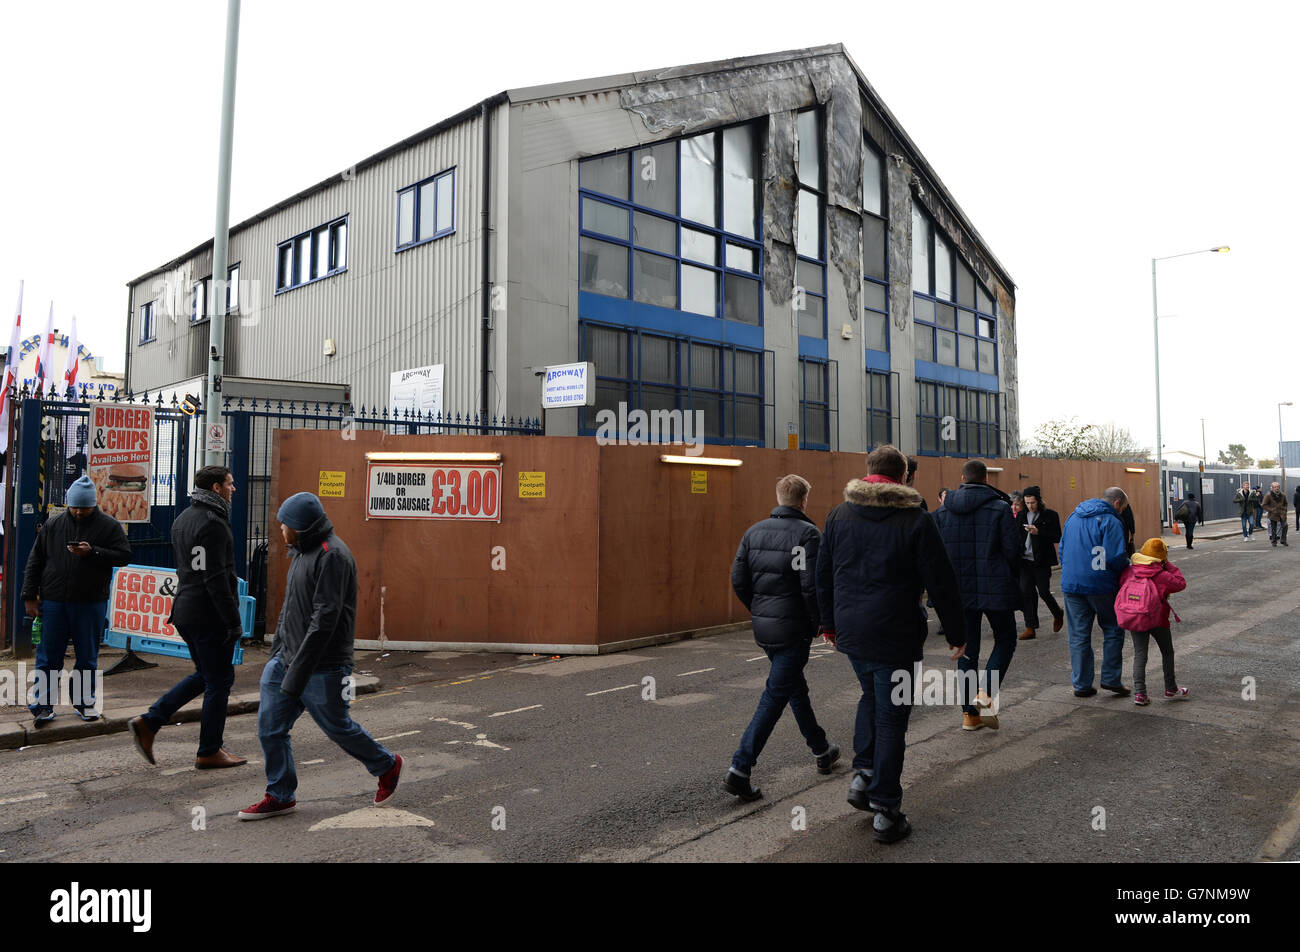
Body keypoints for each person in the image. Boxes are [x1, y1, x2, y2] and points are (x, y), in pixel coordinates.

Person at [817, 445, 964, 843]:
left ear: (868, 472)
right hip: (895, 633)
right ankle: (886, 807)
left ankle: (864, 776)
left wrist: (828, 623)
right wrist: (957, 633)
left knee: (871, 697)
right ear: (903, 477)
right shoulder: (915, 519)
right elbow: (941, 580)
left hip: (852, 631)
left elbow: (823, 572)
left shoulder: (838, 514)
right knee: (892, 717)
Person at [238, 492, 402, 819]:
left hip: (323, 666)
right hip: (286, 659)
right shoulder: (300, 551)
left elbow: (324, 619)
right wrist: (278, 650)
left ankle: (386, 764)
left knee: (337, 727)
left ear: (302, 526)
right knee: (270, 727)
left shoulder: (334, 556)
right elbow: (291, 605)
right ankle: (280, 795)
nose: (281, 527)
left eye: (286, 522)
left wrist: (297, 667)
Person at [724, 475, 838, 801]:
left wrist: (758, 609)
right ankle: (740, 768)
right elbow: (810, 586)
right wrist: (819, 623)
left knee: (792, 687)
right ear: (804, 501)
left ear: (779, 497)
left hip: (765, 629)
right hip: (793, 631)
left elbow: (738, 578)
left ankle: (821, 749)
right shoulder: (806, 534)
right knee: (775, 695)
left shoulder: (753, 532)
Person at [130, 466, 248, 768]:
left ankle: (150, 722)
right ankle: (209, 750)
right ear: (216, 488)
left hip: (185, 609)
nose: (234, 489)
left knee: (205, 676)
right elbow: (215, 579)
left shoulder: (183, 519)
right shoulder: (214, 523)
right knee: (220, 680)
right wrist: (233, 621)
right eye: (230, 484)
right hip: (208, 614)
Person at [22, 475, 131, 723]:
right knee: (48, 655)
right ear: (69, 503)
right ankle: (42, 705)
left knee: (86, 655)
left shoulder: (109, 526)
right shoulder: (53, 525)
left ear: (94, 504)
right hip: (54, 601)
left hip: (90, 601)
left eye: (85, 507)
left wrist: (92, 552)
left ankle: (84, 703)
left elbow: (124, 555)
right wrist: (29, 595)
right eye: (75, 507)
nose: (80, 512)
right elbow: (35, 561)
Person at [933, 459, 1021, 731]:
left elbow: (936, 555)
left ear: (962, 478)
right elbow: (1013, 551)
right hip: (995, 587)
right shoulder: (1000, 508)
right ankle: (985, 694)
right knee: (1005, 638)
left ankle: (970, 715)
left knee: (967, 649)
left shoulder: (942, 512)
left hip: (959, 590)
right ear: (986, 480)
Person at [1059, 487, 1131, 697]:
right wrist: (1128, 569)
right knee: (1113, 629)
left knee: (1078, 635)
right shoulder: (1111, 521)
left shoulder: (1074, 516)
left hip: (1071, 583)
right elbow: (1115, 557)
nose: (1122, 512)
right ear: (1116, 503)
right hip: (1101, 585)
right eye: (1123, 508)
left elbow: (1062, 550)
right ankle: (1110, 678)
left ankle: (1081, 684)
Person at [1115, 538, 1188, 706]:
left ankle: (1140, 694)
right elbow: (1181, 583)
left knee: (1140, 655)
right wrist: (1167, 564)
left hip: (1136, 617)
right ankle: (1170, 688)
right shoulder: (1161, 575)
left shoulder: (1130, 571)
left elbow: (1120, 583)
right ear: (1161, 557)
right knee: (1167, 652)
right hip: (1158, 619)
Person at [1015, 485, 1064, 640]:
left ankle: (1057, 612)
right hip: (1025, 560)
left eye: (1033, 503)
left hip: (1041, 560)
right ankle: (1030, 627)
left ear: (1039, 501)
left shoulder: (1050, 515)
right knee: (1025, 592)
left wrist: (1039, 532)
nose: (1030, 506)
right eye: (1027, 503)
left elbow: (1057, 536)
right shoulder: (1021, 516)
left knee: (1043, 591)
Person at [1261, 482, 1289, 547]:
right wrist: (1271, 510)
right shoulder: (1268, 495)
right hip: (1273, 514)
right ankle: (1274, 541)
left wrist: (1285, 510)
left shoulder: (1283, 495)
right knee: (1273, 528)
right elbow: (1263, 505)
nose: (1277, 488)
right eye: (1275, 487)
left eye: (1278, 487)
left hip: (1282, 514)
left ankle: (1283, 540)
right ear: (1272, 488)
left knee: (1285, 526)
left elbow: (1286, 503)